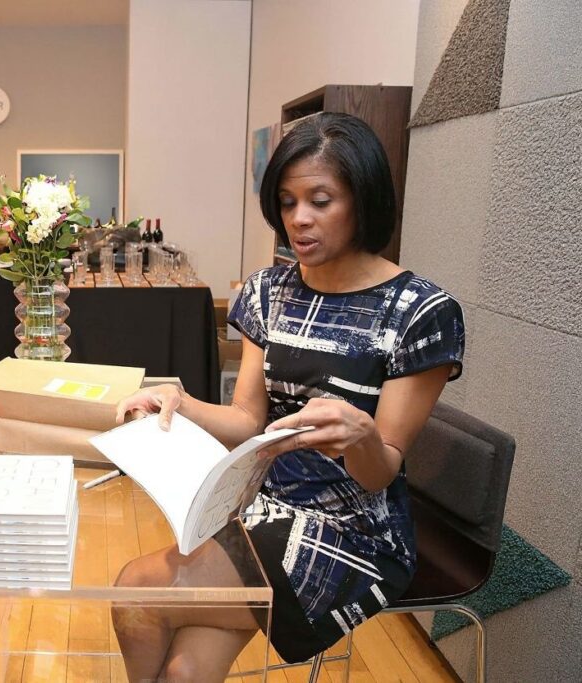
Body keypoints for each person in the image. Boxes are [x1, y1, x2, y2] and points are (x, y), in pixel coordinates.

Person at [111, 112, 465, 682]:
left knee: (135, 592)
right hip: (260, 507)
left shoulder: (419, 313)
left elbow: (380, 473)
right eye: (286, 200)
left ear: (362, 200)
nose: (298, 220)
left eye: (320, 200)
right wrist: (177, 400)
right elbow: (249, 420)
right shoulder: (270, 292)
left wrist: (363, 436)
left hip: (354, 531)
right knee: (180, 671)